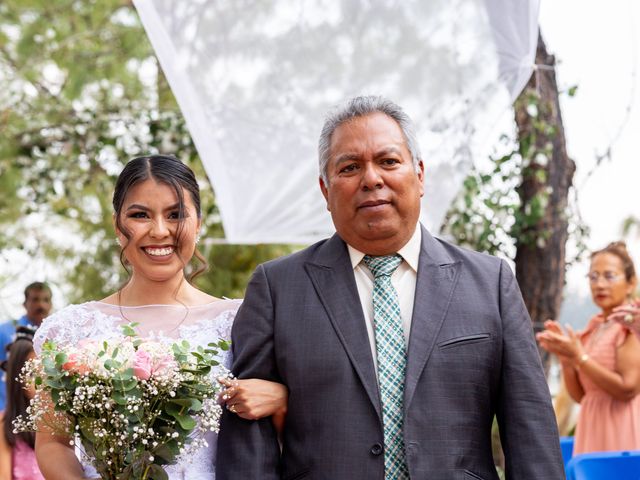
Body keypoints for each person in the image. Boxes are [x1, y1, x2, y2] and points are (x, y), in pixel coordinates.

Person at [217, 96, 564, 479]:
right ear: (324, 189)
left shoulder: (491, 283)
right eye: (349, 167)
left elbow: (530, 433)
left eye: (388, 161)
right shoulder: (277, 289)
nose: (371, 179)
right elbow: (247, 440)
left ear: (419, 175)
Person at [33, 155, 288, 480]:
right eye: (140, 215)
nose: (159, 230)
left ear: (198, 223)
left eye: (176, 215)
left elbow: (290, 427)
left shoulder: (242, 321)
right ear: (117, 225)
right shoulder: (70, 329)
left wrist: (283, 399)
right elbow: (54, 443)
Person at [537, 241, 640, 454]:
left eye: (609, 276)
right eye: (593, 277)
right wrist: (567, 359)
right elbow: (582, 396)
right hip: (592, 426)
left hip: (622, 429)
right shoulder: (593, 329)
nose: (599, 284)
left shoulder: (630, 326)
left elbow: (628, 389)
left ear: (631, 283)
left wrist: (580, 357)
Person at [0, 327, 45, 480]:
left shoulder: (62, 422)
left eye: (44, 371)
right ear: (17, 378)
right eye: (32, 373)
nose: (41, 380)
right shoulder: (4, 425)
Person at [0, 283, 51, 410]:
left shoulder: (55, 334)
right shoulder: (5, 330)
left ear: (51, 305)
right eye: (35, 299)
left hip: (44, 412)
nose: (41, 305)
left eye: (46, 300)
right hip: (6, 407)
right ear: (25, 303)